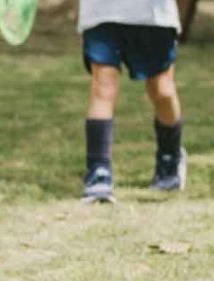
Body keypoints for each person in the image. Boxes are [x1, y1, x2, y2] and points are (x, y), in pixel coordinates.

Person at [79, 0, 187, 203]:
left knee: (162, 91)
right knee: (103, 87)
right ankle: (98, 171)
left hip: (153, 16)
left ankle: (170, 159)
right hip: (101, 13)